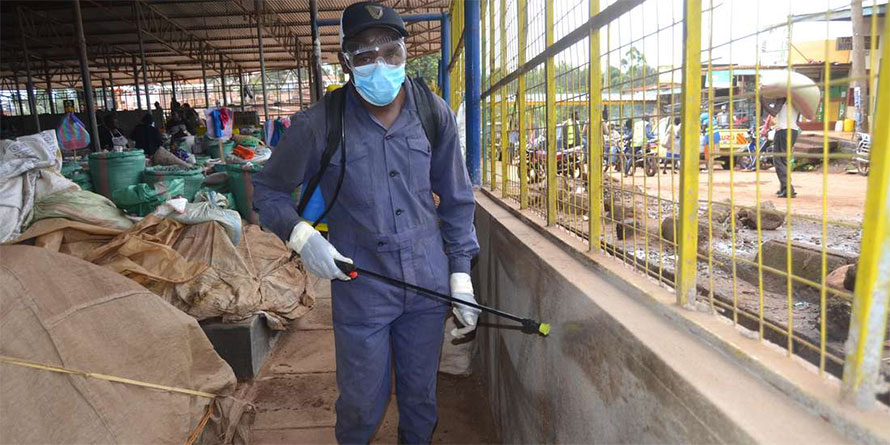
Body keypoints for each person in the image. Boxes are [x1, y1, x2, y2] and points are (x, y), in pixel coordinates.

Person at [251, 3, 478, 443]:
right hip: (362, 284)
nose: (380, 64)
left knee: (420, 395)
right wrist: (302, 237)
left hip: (427, 282)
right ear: (345, 61)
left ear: (406, 53)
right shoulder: (320, 123)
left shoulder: (433, 114)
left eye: (390, 52)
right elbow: (268, 190)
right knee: (361, 401)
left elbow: (456, 200)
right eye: (364, 54)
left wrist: (461, 275)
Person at [764, 98, 799, 197]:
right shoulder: (797, 100)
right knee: (783, 160)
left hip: (783, 131)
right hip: (793, 130)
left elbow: (773, 112)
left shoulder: (782, 98)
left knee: (778, 161)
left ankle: (787, 189)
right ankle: (784, 187)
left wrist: (762, 101)